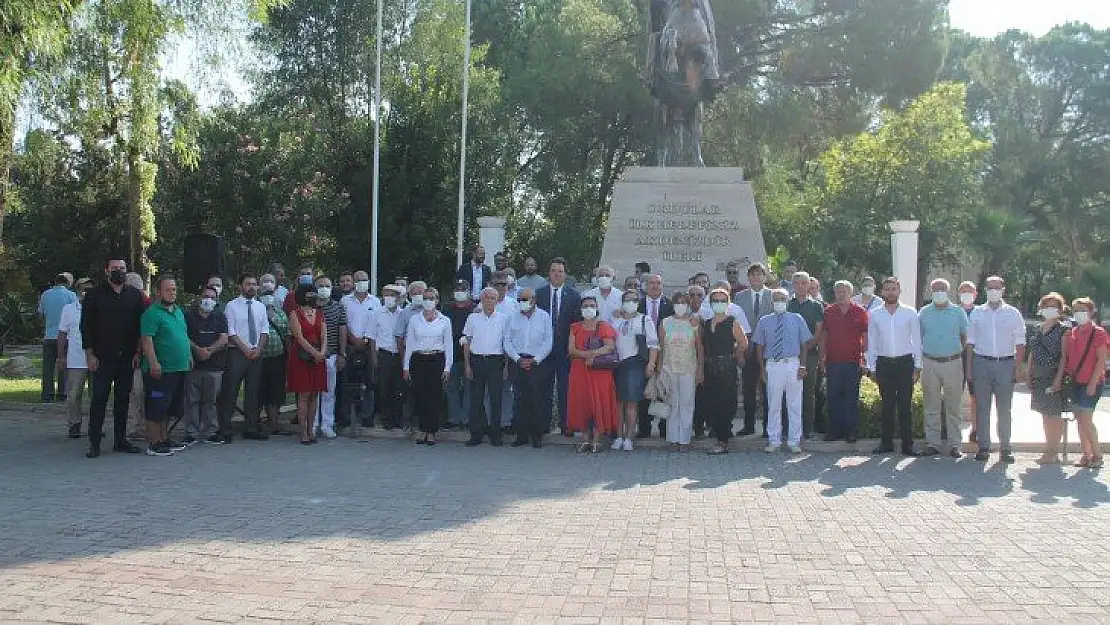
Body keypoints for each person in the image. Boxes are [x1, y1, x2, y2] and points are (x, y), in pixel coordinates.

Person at [80, 256, 145, 458]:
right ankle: (94, 443)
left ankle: (120, 440)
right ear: (107, 271)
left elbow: (140, 327)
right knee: (98, 399)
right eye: (115, 268)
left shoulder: (135, 295)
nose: (119, 271)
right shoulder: (94, 295)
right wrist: (90, 354)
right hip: (102, 357)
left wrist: (137, 352)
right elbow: (86, 327)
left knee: (123, 399)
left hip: (127, 357)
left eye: (122, 268)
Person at [966, 276, 1026, 463]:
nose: (993, 290)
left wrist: (1018, 368)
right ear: (985, 290)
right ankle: (984, 446)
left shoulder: (1013, 313)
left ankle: (1005, 448)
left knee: (1004, 409)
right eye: (990, 287)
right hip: (981, 363)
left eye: (997, 287)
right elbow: (970, 343)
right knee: (982, 407)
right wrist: (969, 368)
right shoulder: (977, 313)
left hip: (1005, 363)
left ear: (1003, 289)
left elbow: (1020, 341)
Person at [865, 277, 922, 457]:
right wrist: (871, 366)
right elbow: (872, 341)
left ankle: (908, 445)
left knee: (905, 406)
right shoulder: (875, 314)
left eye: (894, 289)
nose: (891, 292)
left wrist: (918, 366)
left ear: (899, 291)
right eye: (887, 289)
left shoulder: (910, 313)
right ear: (882, 292)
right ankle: (886, 443)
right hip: (884, 363)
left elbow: (917, 340)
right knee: (887, 405)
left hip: (905, 363)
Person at [138, 275, 192, 456]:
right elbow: (147, 339)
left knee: (170, 407)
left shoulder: (178, 311)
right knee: (156, 406)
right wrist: (153, 362)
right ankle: (154, 442)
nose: (172, 293)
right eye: (168, 289)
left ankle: (164, 437)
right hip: (161, 370)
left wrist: (189, 356)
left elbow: (183, 335)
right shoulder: (152, 313)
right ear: (158, 292)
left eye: (174, 289)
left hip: (179, 368)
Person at [753, 288, 811, 453]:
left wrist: (803, 366)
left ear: (788, 300)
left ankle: (794, 441)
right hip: (773, 364)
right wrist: (762, 369)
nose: (779, 302)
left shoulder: (797, 318)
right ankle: (774, 440)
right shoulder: (764, 321)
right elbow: (759, 346)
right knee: (774, 404)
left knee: (794, 404)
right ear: (772, 302)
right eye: (776, 299)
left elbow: (804, 344)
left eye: (782, 299)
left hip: (792, 363)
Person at [918, 278, 969, 458]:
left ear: (948, 291)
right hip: (930, 362)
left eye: (942, 289)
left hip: (952, 362)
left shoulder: (958, 312)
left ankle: (955, 444)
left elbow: (964, 337)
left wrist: (954, 353)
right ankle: (933, 443)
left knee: (953, 406)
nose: (939, 291)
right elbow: (919, 337)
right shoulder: (923, 313)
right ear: (931, 291)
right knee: (931, 405)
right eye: (935, 289)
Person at [220, 274, 270, 441]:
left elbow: (264, 330)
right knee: (231, 390)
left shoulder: (260, 306)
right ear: (240, 287)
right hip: (237, 352)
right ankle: (225, 429)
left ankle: (251, 427)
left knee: (253, 391)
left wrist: (258, 349)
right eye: (248, 284)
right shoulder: (232, 306)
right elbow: (231, 331)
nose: (251, 287)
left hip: (256, 352)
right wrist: (245, 348)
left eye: (254, 284)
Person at [567, 296, 619, 453]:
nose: (588, 308)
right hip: (579, 370)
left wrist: (592, 354)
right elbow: (571, 349)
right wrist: (587, 356)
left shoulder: (604, 326)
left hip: (599, 371)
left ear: (597, 308)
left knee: (599, 402)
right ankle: (585, 439)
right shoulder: (575, 327)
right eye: (585, 306)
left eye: (591, 305)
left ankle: (596, 439)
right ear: (581, 309)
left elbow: (610, 347)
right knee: (581, 402)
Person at [536, 257, 582, 435]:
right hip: (543, 349)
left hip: (565, 350)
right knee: (543, 387)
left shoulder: (574, 295)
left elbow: (577, 324)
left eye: (560, 271)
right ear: (549, 273)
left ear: (565, 274)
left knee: (566, 388)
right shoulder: (539, 294)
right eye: (554, 270)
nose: (557, 274)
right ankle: (543, 425)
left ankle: (566, 425)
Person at [819, 280, 868, 443]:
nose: (840, 294)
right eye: (838, 291)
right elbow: (824, 335)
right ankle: (834, 431)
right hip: (833, 361)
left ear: (851, 293)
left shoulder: (860, 311)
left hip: (853, 361)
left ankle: (851, 431)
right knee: (833, 397)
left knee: (851, 398)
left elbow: (865, 337)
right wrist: (821, 358)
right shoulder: (828, 312)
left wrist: (865, 358)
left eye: (844, 291)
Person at [505, 287, 554, 448]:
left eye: (525, 300)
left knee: (536, 398)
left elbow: (548, 341)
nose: (522, 303)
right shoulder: (512, 317)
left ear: (534, 300)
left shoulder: (544, 317)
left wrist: (536, 359)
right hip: (518, 361)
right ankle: (521, 434)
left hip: (537, 363)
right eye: (520, 300)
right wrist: (518, 359)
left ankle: (537, 434)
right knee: (519, 399)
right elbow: (507, 340)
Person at [402, 288, 452, 445]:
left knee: (434, 396)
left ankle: (432, 431)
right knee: (420, 395)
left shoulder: (445, 320)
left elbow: (448, 345)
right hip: (418, 359)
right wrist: (406, 366)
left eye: (432, 298)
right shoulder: (414, 320)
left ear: (437, 301)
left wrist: (447, 368)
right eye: (426, 298)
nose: (428, 301)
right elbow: (409, 343)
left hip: (436, 359)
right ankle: (422, 429)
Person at [611, 289, 658, 452]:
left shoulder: (645, 320)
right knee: (617, 402)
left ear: (638, 303)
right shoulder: (615, 320)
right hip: (616, 364)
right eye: (627, 300)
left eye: (633, 300)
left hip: (635, 363)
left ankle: (629, 436)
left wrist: (651, 364)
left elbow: (653, 344)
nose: (630, 303)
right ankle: (619, 435)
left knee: (631, 401)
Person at [1063, 297, 1107, 469]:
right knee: (1080, 420)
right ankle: (1086, 454)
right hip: (1076, 382)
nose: (1079, 313)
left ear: (1091, 312)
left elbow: (1101, 360)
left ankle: (1097, 455)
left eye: (1083, 310)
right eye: (1076, 310)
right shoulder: (1073, 332)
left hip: (1091, 382)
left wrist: (1093, 383)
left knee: (1087, 419)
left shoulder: (1098, 333)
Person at [1025, 293, 1068, 464]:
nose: (1050, 309)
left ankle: (1053, 451)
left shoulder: (1064, 330)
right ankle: (1048, 449)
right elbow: (1032, 353)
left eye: (1054, 306)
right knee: (1044, 415)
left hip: (1053, 375)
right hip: (1039, 377)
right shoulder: (1037, 329)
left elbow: (1064, 357)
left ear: (1060, 309)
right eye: (1046, 306)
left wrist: (1058, 379)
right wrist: (1028, 373)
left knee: (1054, 416)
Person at [703, 288, 747, 454]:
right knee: (712, 402)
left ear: (728, 303)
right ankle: (718, 436)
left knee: (725, 403)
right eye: (716, 300)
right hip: (711, 367)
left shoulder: (732, 322)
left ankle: (723, 441)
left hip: (727, 367)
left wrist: (734, 356)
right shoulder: (707, 323)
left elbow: (743, 343)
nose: (719, 303)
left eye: (723, 300)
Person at [463, 287, 509, 446]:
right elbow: (467, 342)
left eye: (493, 298)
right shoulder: (472, 318)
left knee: (496, 398)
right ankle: (476, 434)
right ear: (481, 300)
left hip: (496, 362)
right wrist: (467, 365)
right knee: (476, 398)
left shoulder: (504, 319)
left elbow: (506, 344)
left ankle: (496, 434)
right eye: (487, 297)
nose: (489, 300)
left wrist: (506, 366)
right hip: (477, 360)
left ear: (497, 301)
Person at [184, 284, 228, 445]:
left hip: (214, 366)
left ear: (216, 301)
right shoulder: (189, 316)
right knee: (191, 401)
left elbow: (224, 338)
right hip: (193, 366)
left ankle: (210, 431)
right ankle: (191, 432)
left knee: (211, 401)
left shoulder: (220, 316)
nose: (208, 300)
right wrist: (198, 350)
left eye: (212, 297)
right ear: (199, 298)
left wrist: (209, 350)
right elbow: (184, 336)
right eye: (205, 296)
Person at [658, 292, 702, 451]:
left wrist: (700, 370)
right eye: (678, 302)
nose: (681, 305)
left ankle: (684, 439)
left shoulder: (693, 323)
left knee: (687, 403)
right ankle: (672, 439)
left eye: (684, 302)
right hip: (669, 368)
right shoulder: (665, 322)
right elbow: (661, 348)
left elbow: (699, 348)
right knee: (672, 403)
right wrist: (658, 370)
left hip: (688, 368)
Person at [734, 263, 774, 436]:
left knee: (768, 390)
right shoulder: (739, 297)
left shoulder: (773, 296)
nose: (756, 278)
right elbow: (735, 325)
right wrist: (740, 351)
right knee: (748, 389)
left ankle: (768, 427)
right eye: (753, 275)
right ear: (748, 277)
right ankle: (748, 425)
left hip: (768, 351)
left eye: (760, 274)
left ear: (765, 277)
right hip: (747, 349)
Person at [287, 284, 327, 445]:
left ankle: (311, 430)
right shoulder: (294, 314)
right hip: (301, 357)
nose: (313, 296)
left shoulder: (320, 313)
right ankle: (303, 432)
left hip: (318, 358)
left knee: (314, 395)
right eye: (310, 293)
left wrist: (322, 352)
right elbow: (299, 337)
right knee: (304, 395)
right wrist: (314, 353)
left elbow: (324, 335)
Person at [341, 270, 379, 430]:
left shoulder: (375, 301)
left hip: (369, 345)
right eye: (358, 280)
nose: (362, 282)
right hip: (350, 345)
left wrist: (365, 339)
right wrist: (353, 339)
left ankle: (367, 416)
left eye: (364, 279)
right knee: (347, 382)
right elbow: (343, 324)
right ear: (353, 282)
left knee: (370, 381)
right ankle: (346, 416)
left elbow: (377, 324)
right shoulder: (345, 301)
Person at [637, 273, 674, 438]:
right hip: (643, 355)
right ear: (646, 286)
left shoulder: (670, 305)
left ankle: (664, 428)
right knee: (644, 392)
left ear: (662, 285)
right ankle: (644, 427)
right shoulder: (638, 304)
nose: (654, 286)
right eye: (651, 283)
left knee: (665, 392)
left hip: (666, 354)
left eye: (658, 283)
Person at [789, 271, 824, 439]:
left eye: (803, 283)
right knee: (789, 391)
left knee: (808, 392)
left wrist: (807, 346)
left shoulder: (816, 305)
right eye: (797, 283)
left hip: (810, 354)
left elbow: (818, 331)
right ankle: (789, 427)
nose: (800, 286)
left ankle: (807, 428)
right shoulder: (788, 304)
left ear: (809, 285)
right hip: (790, 355)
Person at [58, 278, 93, 438]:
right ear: (78, 290)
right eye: (84, 288)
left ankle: (95, 425)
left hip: (96, 358)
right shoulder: (69, 309)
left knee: (97, 395)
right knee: (73, 395)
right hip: (76, 359)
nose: (86, 292)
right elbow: (62, 333)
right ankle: (74, 423)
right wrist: (61, 356)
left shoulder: (98, 308)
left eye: (90, 289)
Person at [314, 276, 348, 438]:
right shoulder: (309, 307)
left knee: (329, 392)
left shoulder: (338, 307)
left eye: (327, 286)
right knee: (312, 392)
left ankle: (327, 424)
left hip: (331, 355)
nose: (324, 288)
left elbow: (342, 331)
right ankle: (312, 424)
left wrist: (342, 354)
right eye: (320, 286)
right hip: (312, 356)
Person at [370, 285, 405, 429]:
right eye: (387, 295)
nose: (389, 298)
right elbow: (372, 337)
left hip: (398, 354)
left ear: (398, 298)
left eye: (393, 295)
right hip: (383, 354)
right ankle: (386, 417)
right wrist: (374, 358)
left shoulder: (403, 314)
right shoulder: (376, 314)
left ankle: (398, 417)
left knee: (398, 388)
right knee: (384, 388)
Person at [39, 273, 78, 402]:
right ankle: (62, 393)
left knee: (48, 368)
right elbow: (75, 314)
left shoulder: (45, 294)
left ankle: (47, 394)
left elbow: (41, 313)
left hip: (49, 335)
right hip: (66, 336)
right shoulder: (71, 295)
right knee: (64, 365)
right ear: (67, 283)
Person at [258, 280, 290, 436]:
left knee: (276, 392)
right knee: (258, 391)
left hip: (277, 358)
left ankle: (274, 423)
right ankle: (255, 422)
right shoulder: (255, 310)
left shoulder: (280, 313)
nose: (268, 298)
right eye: (265, 295)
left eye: (270, 294)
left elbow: (286, 334)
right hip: (258, 358)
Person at [394, 281, 426, 433]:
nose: (418, 295)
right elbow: (400, 337)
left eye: (421, 292)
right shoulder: (405, 313)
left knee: (425, 390)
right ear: (409, 295)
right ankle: (407, 421)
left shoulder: (433, 311)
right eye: (414, 293)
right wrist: (402, 358)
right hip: (410, 355)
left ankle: (424, 422)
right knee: (408, 390)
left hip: (428, 356)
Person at [444, 280, 474, 430]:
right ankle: (454, 419)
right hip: (452, 356)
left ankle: (467, 418)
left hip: (470, 356)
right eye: (457, 289)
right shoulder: (447, 309)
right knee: (452, 388)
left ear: (469, 291)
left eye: (463, 289)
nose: (460, 291)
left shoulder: (475, 309)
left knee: (470, 389)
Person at [957, 280, 979, 443]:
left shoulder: (981, 312)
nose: (966, 294)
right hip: (955, 357)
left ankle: (976, 429)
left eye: (969, 291)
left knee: (976, 395)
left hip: (976, 357)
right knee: (953, 395)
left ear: (975, 294)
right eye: (963, 291)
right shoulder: (953, 312)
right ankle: (952, 430)